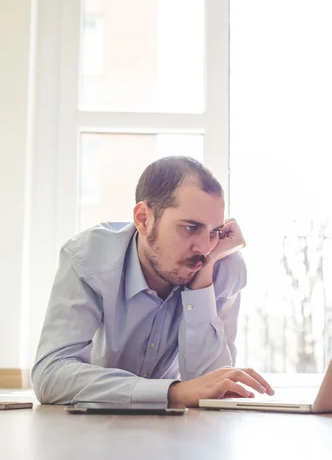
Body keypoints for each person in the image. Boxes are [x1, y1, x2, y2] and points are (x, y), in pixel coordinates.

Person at [32, 156, 274, 407]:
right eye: (191, 227)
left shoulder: (223, 266)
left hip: (182, 434)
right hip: (98, 425)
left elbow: (210, 387)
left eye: (214, 231)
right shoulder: (89, 259)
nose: (204, 247)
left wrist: (203, 282)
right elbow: (50, 375)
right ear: (143, 219)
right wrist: (172, 393)